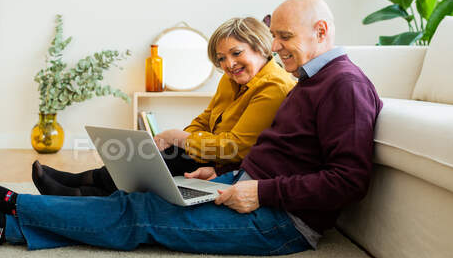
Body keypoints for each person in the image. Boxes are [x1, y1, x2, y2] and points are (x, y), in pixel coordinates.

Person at [0, 0, 382, 255]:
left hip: (281, 223)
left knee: (139, 214)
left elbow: (349, 180)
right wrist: (228, 173)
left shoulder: (344, 86)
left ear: (321, 30)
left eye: (284, 37)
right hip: (242, 184)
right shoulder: (311, 81)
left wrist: (261, 190)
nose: (276, 47)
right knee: (144, 197)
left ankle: (6, 202)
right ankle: (1, 228)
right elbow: (284, 151)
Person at [30, 16, 296, 196]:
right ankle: (77, 182)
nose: (228, 64)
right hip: (210, 150)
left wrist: (178, 137)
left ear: (261, 47)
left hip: (230, 161)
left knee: (150, 166)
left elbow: (234, 147)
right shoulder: (232, 79)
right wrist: (180, 141)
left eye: (236, 53)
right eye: (221, 59)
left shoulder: (272, 86)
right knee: (143, 158)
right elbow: (205, 119)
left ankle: (78, 192)